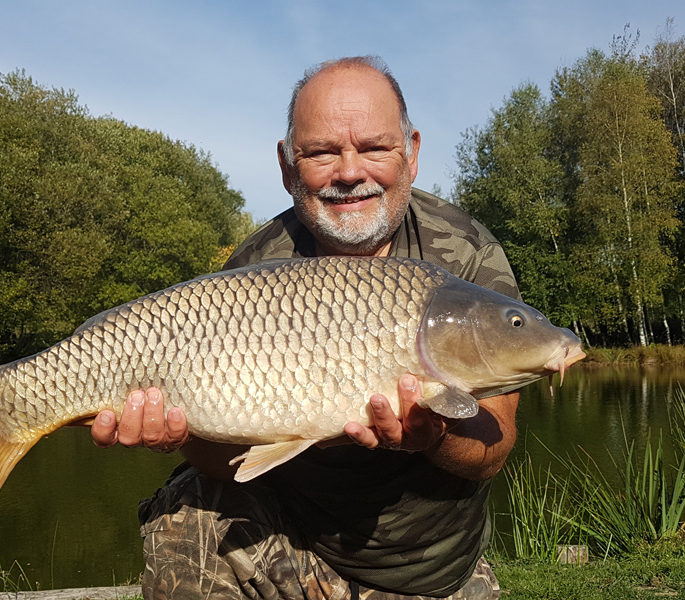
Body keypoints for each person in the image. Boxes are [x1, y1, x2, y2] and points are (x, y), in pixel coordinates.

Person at [90, 55, 520, 600]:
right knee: (187, 502)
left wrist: (431, 437)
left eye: (373, 147)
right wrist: (177, 431)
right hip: (289, 532)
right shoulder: (254, 266)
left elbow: (493, 447)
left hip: (424, 569)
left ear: (410, 152)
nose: (348, 171)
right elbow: (224, 460)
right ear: (288, 166)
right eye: (320, 153)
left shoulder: (464, 254)